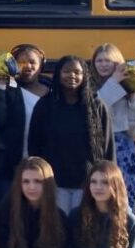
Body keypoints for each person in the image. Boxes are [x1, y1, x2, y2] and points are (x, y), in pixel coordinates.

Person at [28, 55, 113, 215]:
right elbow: (34, 143)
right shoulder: (45, 105)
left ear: (84, 76)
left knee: (83, 228)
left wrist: (107, 178)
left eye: (77, 72)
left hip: (88, 183)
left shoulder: (97, 106)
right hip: (53, 181)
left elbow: (108, 146)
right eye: (66, 71)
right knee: (57, 227)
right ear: (58, 74)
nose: (72, 76)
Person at [0, 43, 51, 208]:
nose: (27, 66)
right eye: (21, 62)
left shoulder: (52, 93)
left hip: (42, 168)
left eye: (32, 62)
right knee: (5, 215)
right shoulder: (7, 91)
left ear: (41, 65)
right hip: (9, 168)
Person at [92, 43, 135, 212]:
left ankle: (125, 232)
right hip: (98, 146)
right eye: (99, 60)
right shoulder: (90, 87)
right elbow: (96, 108)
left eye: (108, 60)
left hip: (123, 149)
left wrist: (134, 99)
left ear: (118, 63)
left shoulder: (127, 90)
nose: (103, 64)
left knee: (123, 195)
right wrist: (114, 81)